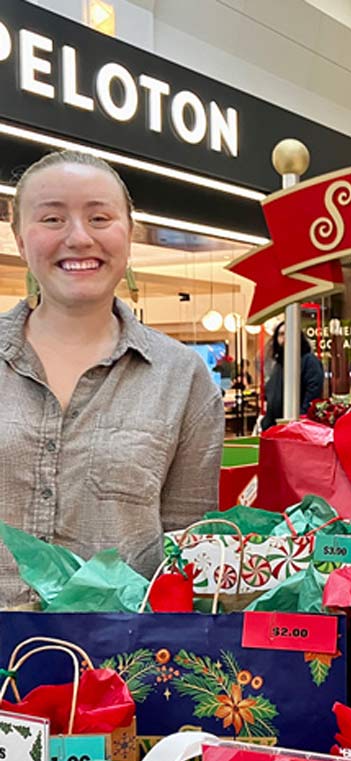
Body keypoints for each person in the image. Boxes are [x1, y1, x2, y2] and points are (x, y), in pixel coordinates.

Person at [0, 150, 224, 608]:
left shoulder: (182, 377)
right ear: (21, 239)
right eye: (52, 219)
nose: (79, 238)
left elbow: (187, 550)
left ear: (129, 234)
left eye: (100, 218)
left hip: (123, 664)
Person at [261, 325, 323, 429]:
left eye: (288, 333)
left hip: (298, 429)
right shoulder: (278, 366)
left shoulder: (309, 361)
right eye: (281, 334)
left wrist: (299, 421)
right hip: (275, 428)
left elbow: (312, 393)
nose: (285, 337)